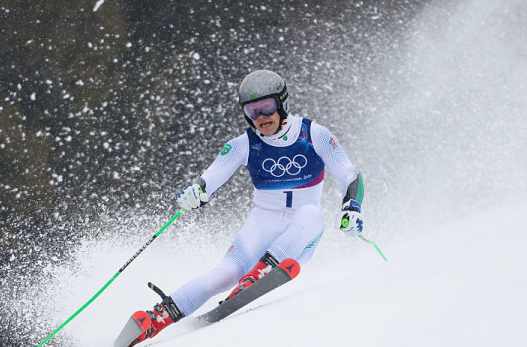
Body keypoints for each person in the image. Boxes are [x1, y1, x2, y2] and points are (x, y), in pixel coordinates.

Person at [126, 70, 364, 345]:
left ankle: (260, 274)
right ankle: (157, 319)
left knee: (312, 215)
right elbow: (210, 177)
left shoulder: (313, 134)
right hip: (262, 222)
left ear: (282, 103)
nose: (261, 117)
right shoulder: (243, 145)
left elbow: (350, 175)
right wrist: (196, 192)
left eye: (267, 107)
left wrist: (352, 208)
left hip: (300, 235)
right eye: (252, 111)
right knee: (224, 273)